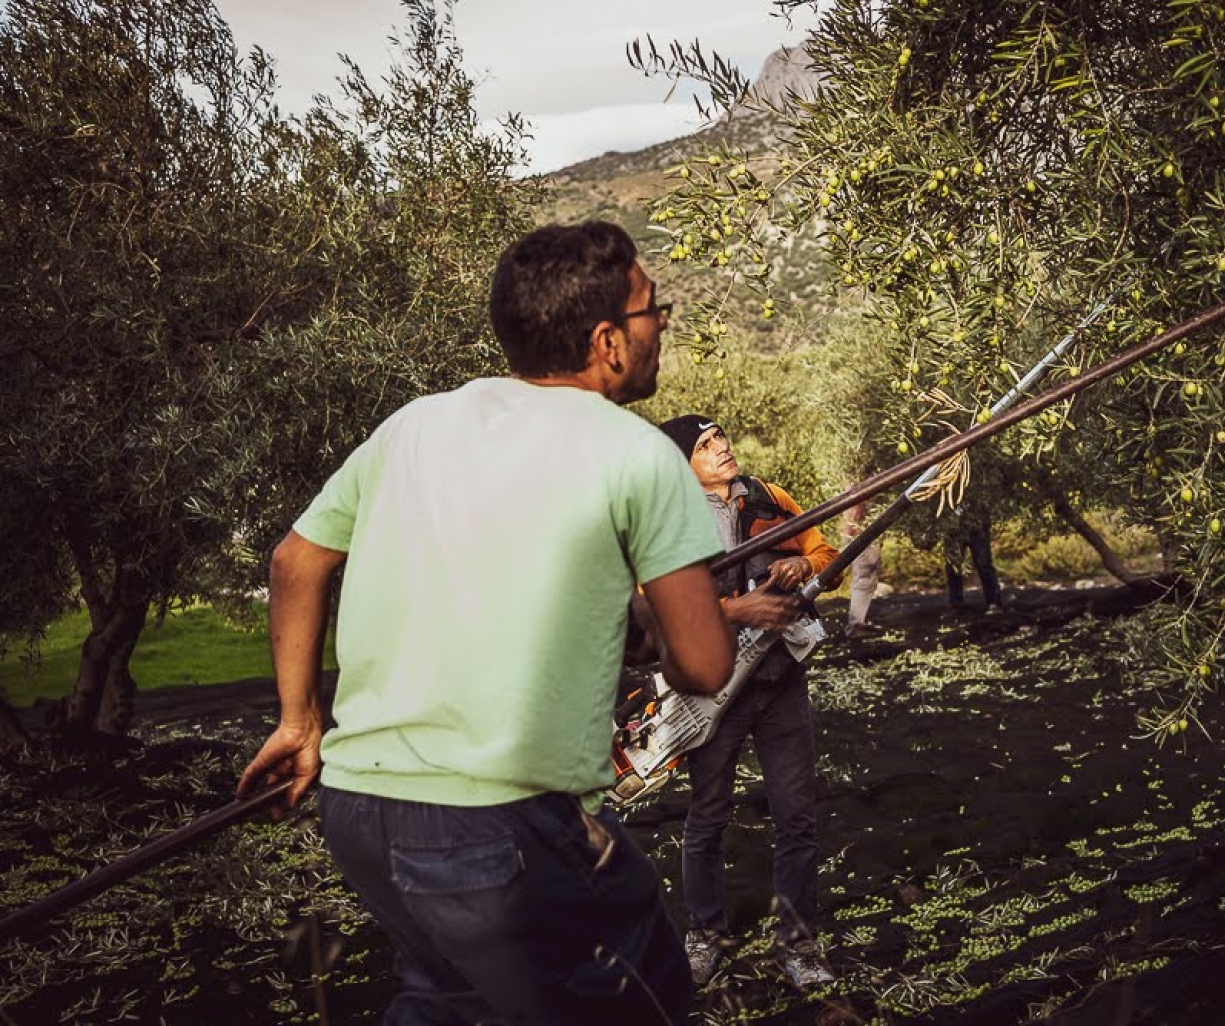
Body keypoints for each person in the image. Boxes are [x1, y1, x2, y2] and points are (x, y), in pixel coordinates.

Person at [236, 221, 768, 1025]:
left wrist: (299, 720)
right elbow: (701, 666)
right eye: (654, 309)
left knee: (448, 998)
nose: (663, 323)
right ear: (607, 343)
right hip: (496, 826)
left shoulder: (413, 425)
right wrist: (683, 621)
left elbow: (294, 564)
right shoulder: (638, 452)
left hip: (357, 809)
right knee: (641, 992)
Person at [656, 414, 840, 990]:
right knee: (707, 817)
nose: (721, 447)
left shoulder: (770, 497)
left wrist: (804, 565)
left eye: (721, 437)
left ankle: (799, 946)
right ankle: (704, 937)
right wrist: (736, 611)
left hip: (781, 680)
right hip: (715, 691)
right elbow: (650, 606)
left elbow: (828, 552)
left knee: (797, 816)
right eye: (704, 444)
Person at [944, 506, 1004, 613]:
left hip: (977, 523)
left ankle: (994, 602)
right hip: (954, 525)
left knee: (984, 564)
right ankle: (956, 604)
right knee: (953, 566)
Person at [841, 498, 884, 639]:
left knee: (866, 578)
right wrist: (855, 528)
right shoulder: (860, 479)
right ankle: (855, 625)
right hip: (861, 533)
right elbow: (857, 502)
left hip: (860, 531)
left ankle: (858, 623)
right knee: (865, 577)